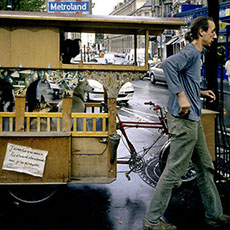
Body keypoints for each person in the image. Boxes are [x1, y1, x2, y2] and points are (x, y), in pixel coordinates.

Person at [143, 16, 230, 230]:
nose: (214, 35)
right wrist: (181, 96)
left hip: (193, 120)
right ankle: (151, 221)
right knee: (173, 172)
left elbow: (183, 78)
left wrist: (198, 92)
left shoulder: (195, 54)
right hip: (184, 122)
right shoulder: (191, 51)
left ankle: (214, 214)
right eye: (212, 31)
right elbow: (168, 65)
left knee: (205, 167)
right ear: (201, 32)